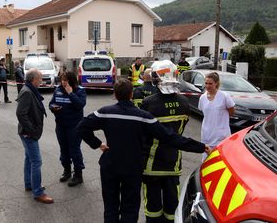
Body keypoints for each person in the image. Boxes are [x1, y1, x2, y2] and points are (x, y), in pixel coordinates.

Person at [77, 78, 210, 223]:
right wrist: (201, 147)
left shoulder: (105, 112)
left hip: (110, 165)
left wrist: (98, 144)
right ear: (131, 95)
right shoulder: (143, 117)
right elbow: (170, 137)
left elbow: (82, 127)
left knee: (110, 206)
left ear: (115, 94)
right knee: (130, 207)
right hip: (133, 168)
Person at [141, 60, 190, 223]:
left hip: (151, 164)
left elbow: (143, 132)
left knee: (153, 205)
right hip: (173, 162)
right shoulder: (184, 102)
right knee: (172, 204)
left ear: (156, 78)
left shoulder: (149, 103)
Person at [16, 68, 54, 204]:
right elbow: (21, 114)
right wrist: (31, 130)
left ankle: (29, 184)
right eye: (40, 79)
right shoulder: (27, 92)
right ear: (34, 79)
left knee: (29, 158)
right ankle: (38, 192)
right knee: (37, 161)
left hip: (27, 132)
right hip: (28, 134)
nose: (41, 81)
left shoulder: (29, 89)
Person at [49, 71, 86, 187]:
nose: (63, 82)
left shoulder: (80, 90)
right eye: (62, 80)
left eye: (66, 80)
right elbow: (51, 103)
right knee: (64, 149)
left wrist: (71, 93)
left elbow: (80, 105)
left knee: (74, 150)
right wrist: (53, 107)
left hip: (74, 126)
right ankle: (67, 171)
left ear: (71, 80)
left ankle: (78, 175)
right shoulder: (58, 90)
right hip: (60, 126)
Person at [199, 72, 235, 161]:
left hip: (221, 137)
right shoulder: (202, 98)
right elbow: (205, 113)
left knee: (220, 162)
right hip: (206, 136)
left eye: (210, 83)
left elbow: (232, 111)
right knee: (206, 162)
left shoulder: (224, 96)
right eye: (206, 83)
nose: (208, 86)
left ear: (216, 83)